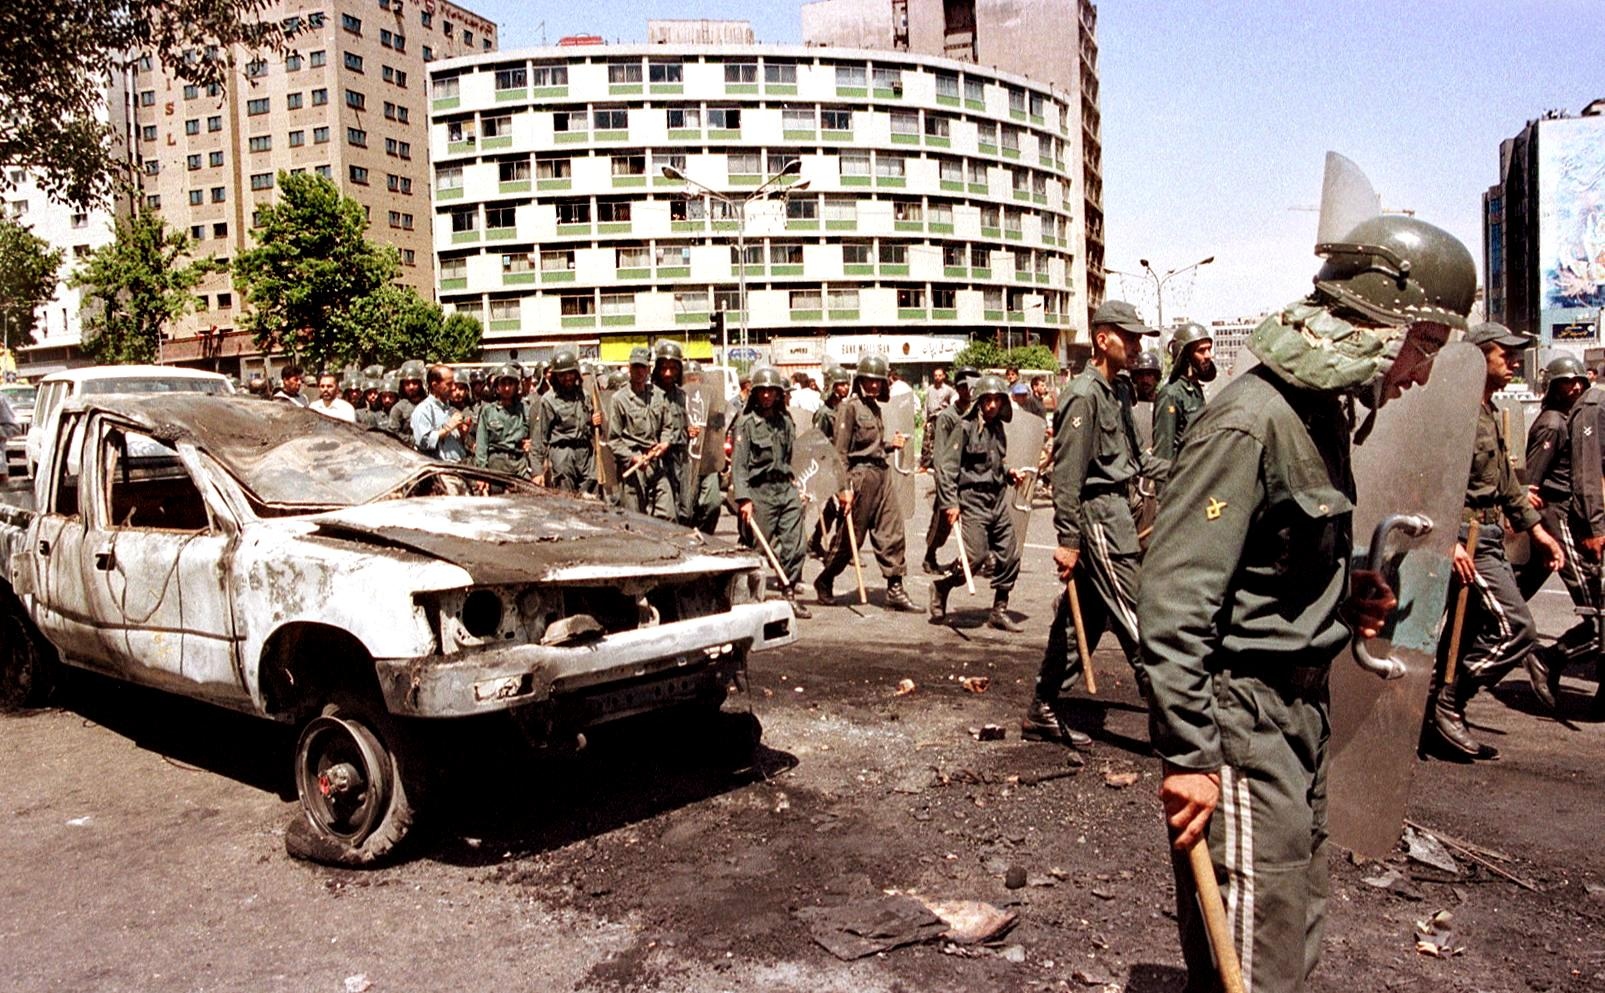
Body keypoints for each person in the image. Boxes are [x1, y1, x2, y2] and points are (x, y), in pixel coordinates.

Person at [1138, 215, 1478, 993]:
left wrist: (1342, 586)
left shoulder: (1319, 415)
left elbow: (1268, 561)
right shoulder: (1247, 422)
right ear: (1374, 323)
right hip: (1243, 727)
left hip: (1296, 717)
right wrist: (1190, 756)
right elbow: (1174, 606)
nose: (1421, 372)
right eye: (1422, 345)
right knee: (1253, 960)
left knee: (1288, 932)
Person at [1426, 323, 1566, 758]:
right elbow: (1428, 478)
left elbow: (1505, 482)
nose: (1515, 362)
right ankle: (1446, 702)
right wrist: (1444, 540)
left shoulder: (1486, 409)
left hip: (1486, 533)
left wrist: (1537, 531)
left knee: (1464, 636)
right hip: (1465, 538)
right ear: (1477, 360)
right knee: (1517, 629)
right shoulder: (1453, 412)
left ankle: (1439, 713)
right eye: (1504, 354)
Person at [1024, 299, 1158, 748]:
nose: (1138, 345)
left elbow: (1139, 459)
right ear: (1103, 338)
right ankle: (1174, 723)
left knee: (1086, 617)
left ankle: (1043, 703)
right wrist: (1067, 540)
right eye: (1131, 336)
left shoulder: (1117, 391)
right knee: (1137, 615)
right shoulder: (1082, 394)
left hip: (1119, 511)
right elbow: (1067, 475)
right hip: (1099, 518)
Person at [1523, 354, 1605, 715]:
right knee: (1598, 613)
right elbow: (1533, 481)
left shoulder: (1572, 417)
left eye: (1577, 382)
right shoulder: (1556, 423)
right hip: (1561, 518)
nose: (1573, 387)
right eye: (1565, 383)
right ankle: (1548, 658)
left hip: (1570, 518)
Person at [812, 355, 920, 611]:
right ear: (859, 380)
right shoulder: (848, 408)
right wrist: (843, 489)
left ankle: (895, 587)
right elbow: (840, 452)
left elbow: (872, 446)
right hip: (859, 478)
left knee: (892, 531)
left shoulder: (875, 409)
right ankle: (825, 580)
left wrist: (889, 445)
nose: (873, 386)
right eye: (869, 381)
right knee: (851, 539)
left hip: (882, 475)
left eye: (878, 382)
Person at [929, 374, 1023, 631]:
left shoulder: (997, 428)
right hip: (972, 501)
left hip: (996, 500)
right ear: (979, 401)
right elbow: (947, 469)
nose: (992, 405)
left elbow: (994, 466)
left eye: (997, 400)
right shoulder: (965, 427)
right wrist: (950, 503)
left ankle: (998, 610)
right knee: (976, 557)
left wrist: (1009, 474)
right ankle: (942, 587)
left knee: (1011, 554)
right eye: (988, 400)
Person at [731, 367, 811, 619]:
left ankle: (788, 592)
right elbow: (739, 465)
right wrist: (743, 499)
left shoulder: (786, 422)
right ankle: (742, 594)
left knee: (797, 545)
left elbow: (790, 458)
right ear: (754, 393)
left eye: (771, 391)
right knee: (754, 547)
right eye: (762, 391)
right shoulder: (745, 424)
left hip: (784, 489)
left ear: (778, 394)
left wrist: (796, 485)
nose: (767, 396)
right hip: (759, 490)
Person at [921, 366, 977, 574]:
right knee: (942, 521)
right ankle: (930, 555)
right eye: (962, 387)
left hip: (972, 475)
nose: (967, 391)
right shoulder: (948, 417)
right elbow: (940, 453)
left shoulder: (978, 413)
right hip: (951, 475)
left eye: (971, 387)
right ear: (957, 388)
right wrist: (943, 480)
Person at [610, 347, 672, 517]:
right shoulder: (619, 400)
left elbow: (667, 426)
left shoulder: (659, 396)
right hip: (634, 465)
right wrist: (632, 457)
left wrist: (665, 443)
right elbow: (614, 440)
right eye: (635, 367)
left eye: (642, 367)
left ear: (648, 370)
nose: (639, 372)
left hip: (655, 462)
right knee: (636, 519)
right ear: (629, 368)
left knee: (668, 514)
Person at [530, 348, 599, 494]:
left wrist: (595, 422)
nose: (567, 378)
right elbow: (539, 438)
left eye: (570, 373)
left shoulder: (585, 396)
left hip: (585, 454)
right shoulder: (548, 400)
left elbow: (594, 429)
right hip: (562, 456)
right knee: (566, 502)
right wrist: (537, 472)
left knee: (592, 502)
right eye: (562, 375)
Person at [1152, 323, 1216, 465]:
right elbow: (1163, 453)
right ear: (1185, 355)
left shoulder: (1195, 389)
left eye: (1209, 349)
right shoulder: (1171, 394)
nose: (1208, 356)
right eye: (1201, 350)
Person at [807, 366, 853, 560]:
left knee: (837, 508)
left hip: (845, 463)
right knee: (839, 506)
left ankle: (817, 541)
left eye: (846, 383)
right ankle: (838, 548)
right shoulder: (825, 413)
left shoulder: (847, 409)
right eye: (841, 384)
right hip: (830, 465)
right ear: (833, 386)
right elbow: (818, 441)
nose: (845, 387)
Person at [650, 341, 698, 524]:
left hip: (681, 455)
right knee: (665, 507)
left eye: (673, 368)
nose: (668, 373)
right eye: (664, 368)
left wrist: (689, 431)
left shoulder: (681, 395)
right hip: (661, 456)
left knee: (685, 507)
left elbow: (682, 422)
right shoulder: (651, 394)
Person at [475, 364, 533, 476]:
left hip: (519, 463)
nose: (507, 388)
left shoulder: (524, 409)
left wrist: (530, 444)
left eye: (510, 384)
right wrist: (482, 472)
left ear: (516, 386)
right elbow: (482, 444)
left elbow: (534, 435)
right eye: (503, 384)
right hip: (496, 463)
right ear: (496, 387)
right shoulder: (488, 411)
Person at [412, 364, 470, 462]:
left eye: (454, 383)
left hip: (459, 466)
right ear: (435, 386)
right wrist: (448, 427)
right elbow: (423, 442)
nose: (453, 388)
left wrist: (462, 433)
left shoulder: (451, 410)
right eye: (449, 384)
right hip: (440, 470)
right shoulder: (423, 410)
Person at [920, 367, 958, 469]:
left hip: (942, 417)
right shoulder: (929, 389)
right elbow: (925, 405)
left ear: (944, 376)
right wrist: (924, 419)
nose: (937, 377)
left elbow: (954, 404)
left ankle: (942, 463)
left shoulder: (949, 390)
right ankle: (925, 464)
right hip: (931, 418)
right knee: (927, 441)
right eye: (935, 375)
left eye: (939, 375)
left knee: (942, 440)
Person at [388, 360, 428, 442]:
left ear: (420, 383)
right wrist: (413, 441)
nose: (411, 387)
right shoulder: (398, 409)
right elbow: (393, 434)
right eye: (407, 383)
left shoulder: (429, 404)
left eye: (414, 382)